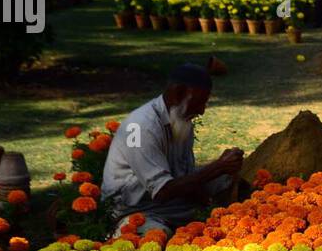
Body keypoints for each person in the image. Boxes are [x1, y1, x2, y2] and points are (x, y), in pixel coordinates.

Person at [102, 63, 248, 237]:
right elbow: (163, 190)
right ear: (178, 93)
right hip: (135, 209)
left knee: (225, 178)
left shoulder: (181, 120)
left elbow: (185, 175)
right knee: (156, 235)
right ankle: (122, 231)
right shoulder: (140, 127)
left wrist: (210, 199)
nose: (201, 111)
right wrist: (217, 166)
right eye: (199, 102)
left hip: (170, 201)